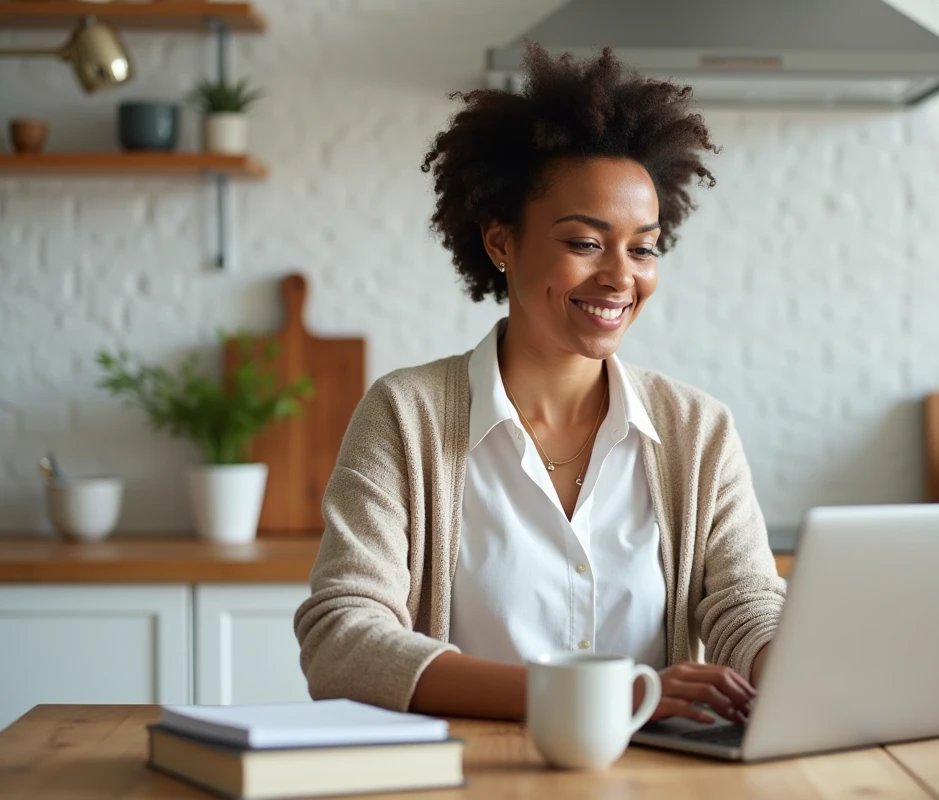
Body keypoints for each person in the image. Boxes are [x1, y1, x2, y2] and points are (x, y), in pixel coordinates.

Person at [294, 45, 785, 726]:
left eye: (643, 247)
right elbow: (341, 639)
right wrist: (591, 700)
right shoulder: (406, 417)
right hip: (467, 774)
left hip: (660, 778)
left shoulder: (696, 430)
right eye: (585, 243)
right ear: (501, 243)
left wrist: (790, 661)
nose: (620, 277)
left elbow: (745, 603)